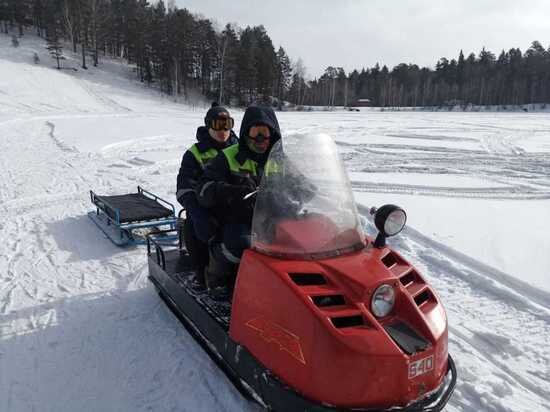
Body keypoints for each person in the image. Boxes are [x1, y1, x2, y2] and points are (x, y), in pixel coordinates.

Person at [197, 105, 282, 288]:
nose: (260, 139)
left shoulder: (280, 159)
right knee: (240, 244)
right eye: (255, 132)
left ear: (273, 133)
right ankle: (216, 277)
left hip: (272, 217)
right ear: (245, 133)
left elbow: (300, 182)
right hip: (237, 219)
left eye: (265, 132)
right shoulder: (227, 157)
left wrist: (313, 193)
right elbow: (203, 189)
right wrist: (230, 191)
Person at [176, 102, 238, 286]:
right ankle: (202, 272)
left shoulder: (240, 149)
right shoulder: (195, 153)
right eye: (218, 125)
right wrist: (196, 211)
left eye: (227, 124)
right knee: (195, 226)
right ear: (208, 125)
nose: (223, 130)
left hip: (238, 206)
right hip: (208, 208)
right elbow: (184, 187)